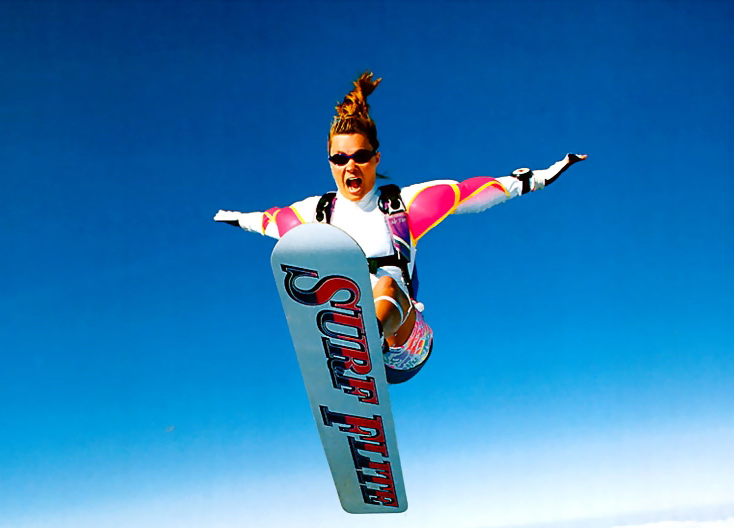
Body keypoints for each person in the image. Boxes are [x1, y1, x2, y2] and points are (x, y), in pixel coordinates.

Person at [215, 72, 586, 383]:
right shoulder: (319, 212)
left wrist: (538, 178)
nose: (351, 167)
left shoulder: (401, 206)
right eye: (340, 158)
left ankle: (363, 346)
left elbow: (476, 192)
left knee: (388, 284)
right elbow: (269, 221)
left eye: (361, 156)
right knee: (336, 284)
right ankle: (351, 350)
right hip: (349, 327)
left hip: (407, 344)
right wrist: (234, 218)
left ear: (376, 158)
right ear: (329, 161)